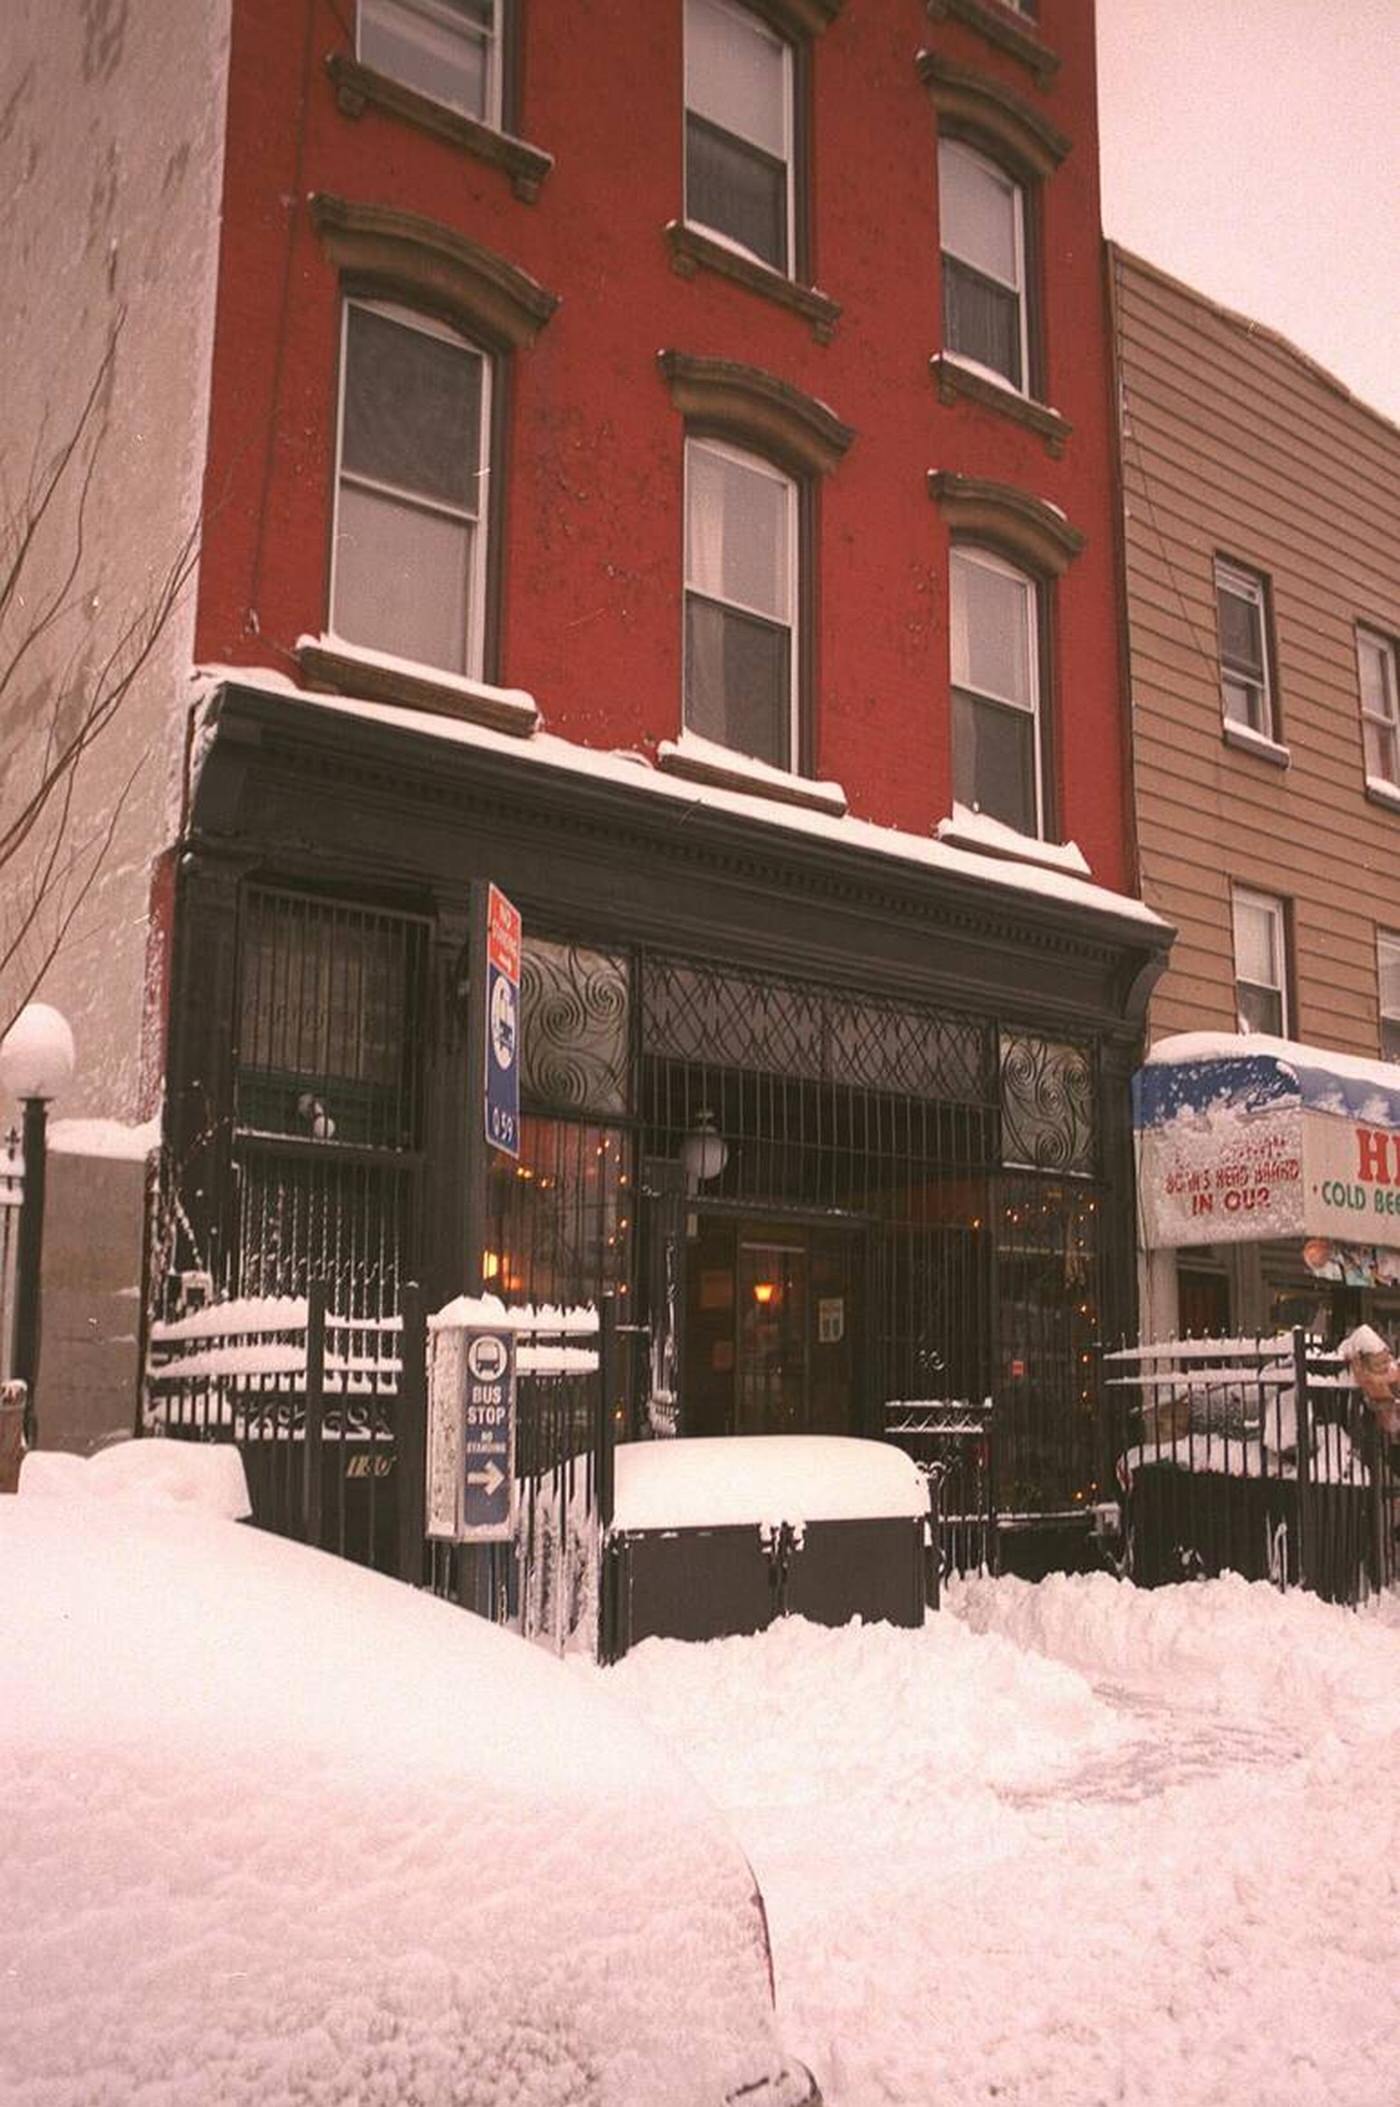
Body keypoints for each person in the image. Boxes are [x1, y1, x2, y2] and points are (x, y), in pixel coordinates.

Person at [1336, 1325, 1400, 1437]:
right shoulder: (1376, 1395)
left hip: (1369, 1348)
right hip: (1369, 1349)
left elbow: (1363, 1376)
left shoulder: (1378, 1394)